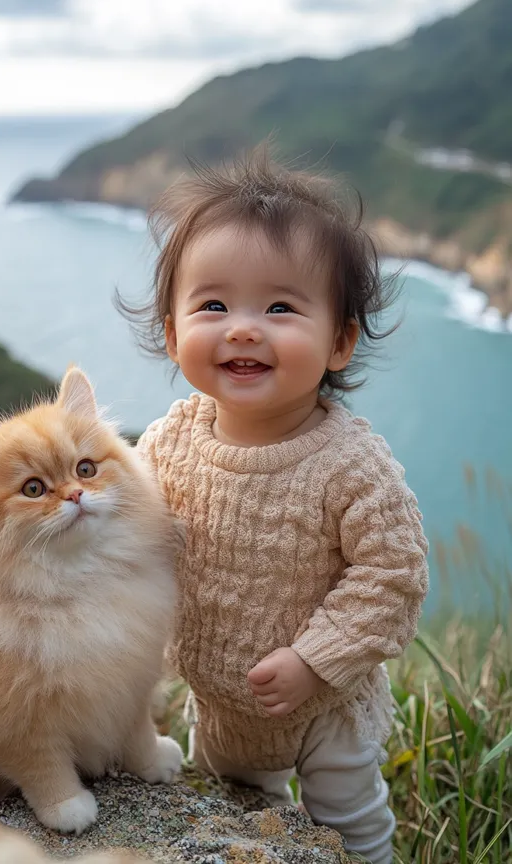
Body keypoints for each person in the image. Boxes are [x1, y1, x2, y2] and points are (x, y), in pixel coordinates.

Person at [128, 149, 429, 864]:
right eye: (213, 305)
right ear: (171, 334)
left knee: (351, 826)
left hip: (327, 705)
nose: (242, 328)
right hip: (220, 700)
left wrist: (315, 661)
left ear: (340, 341)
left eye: (281, 308)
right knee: (238, 815)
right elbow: (131, 534)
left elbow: (393, 576)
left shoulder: (352, 464)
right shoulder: (168, 444)